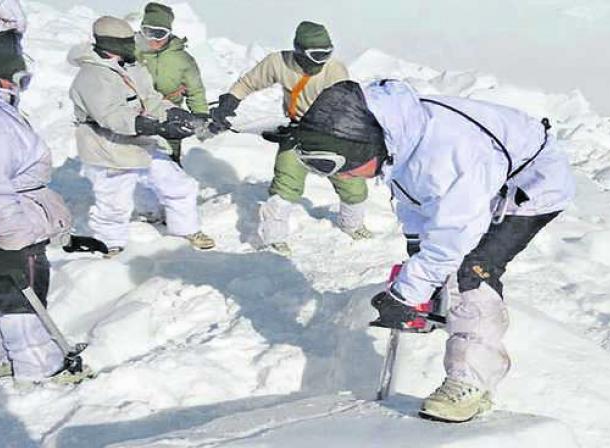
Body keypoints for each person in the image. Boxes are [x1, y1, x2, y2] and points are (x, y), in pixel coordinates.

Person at [293, 79, 575, 422]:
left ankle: (469, 384)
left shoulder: (451, 154)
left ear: (362, 145)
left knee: (472, 269)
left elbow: (454, 236)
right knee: (440, 263)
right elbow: (415, 198)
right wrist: (417, 250)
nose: (341, 176)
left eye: (338, 165)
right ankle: (454, 319)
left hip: (533, 185)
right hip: (486, 178)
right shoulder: (397, 136)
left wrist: (407, 295)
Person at [0, 27, 90, 386]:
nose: (19, 86)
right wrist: (15, 239)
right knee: (21, 299)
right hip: (3, 224)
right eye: (17, 77)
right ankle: (38, 369)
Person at [210, 21, 371, 256]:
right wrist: (231, 101)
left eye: (327, 53)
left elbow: (343, 109)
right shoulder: (279, 62)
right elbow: (249, 82)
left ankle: (352, 225)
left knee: (353, 185)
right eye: (316, 55)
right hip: (296, 134)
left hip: (331, 135)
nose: (322, 60)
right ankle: (275, 239)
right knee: (285, 186)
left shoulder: (335, 70)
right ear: (299, 50)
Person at [68, 16, 215, 256]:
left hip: (138, 141)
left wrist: (176, 114)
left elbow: (151, 99)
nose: (132, 45)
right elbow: (111, 116)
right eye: (125, 41)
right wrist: (157, 128)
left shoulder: (131, 67)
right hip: (106, 147)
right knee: (114, 204)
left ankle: (184, 230)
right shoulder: (92, 76)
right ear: (110, 43)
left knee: (180, 184)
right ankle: (110, 245)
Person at [136, 2, 210, 166]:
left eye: (159, 34)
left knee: (168, 164)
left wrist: (200, 116)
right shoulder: (130, 51)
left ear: (169, 34)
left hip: (170, 120)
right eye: (148, 32)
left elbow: (195, 91)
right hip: (135, 118)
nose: (153, 39)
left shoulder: (183, 60)